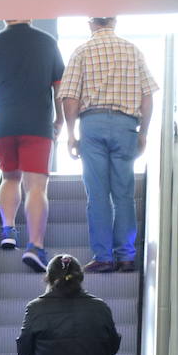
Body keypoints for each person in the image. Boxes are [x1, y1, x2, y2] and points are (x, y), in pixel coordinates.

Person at [60, 16, 159, 273]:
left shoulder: (81, 51)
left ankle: (103, 256)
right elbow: (147, 97)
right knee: (124, 194)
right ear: (114, 21)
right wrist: (143, 133)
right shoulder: (133, 50)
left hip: (92, 125)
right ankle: (126, 256)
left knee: (98, 194)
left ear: (90, 23)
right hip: (126, 126)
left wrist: (71, 134)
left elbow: (69, 97)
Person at [0, 19, 65, 273]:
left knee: (10, 177)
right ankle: (35, 246)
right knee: (35, 185)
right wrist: (59, 120)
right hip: (37, 123)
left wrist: (0, 111)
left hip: (2, 123)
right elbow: (59, 87)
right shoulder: (47, 42)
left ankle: (9, 231)